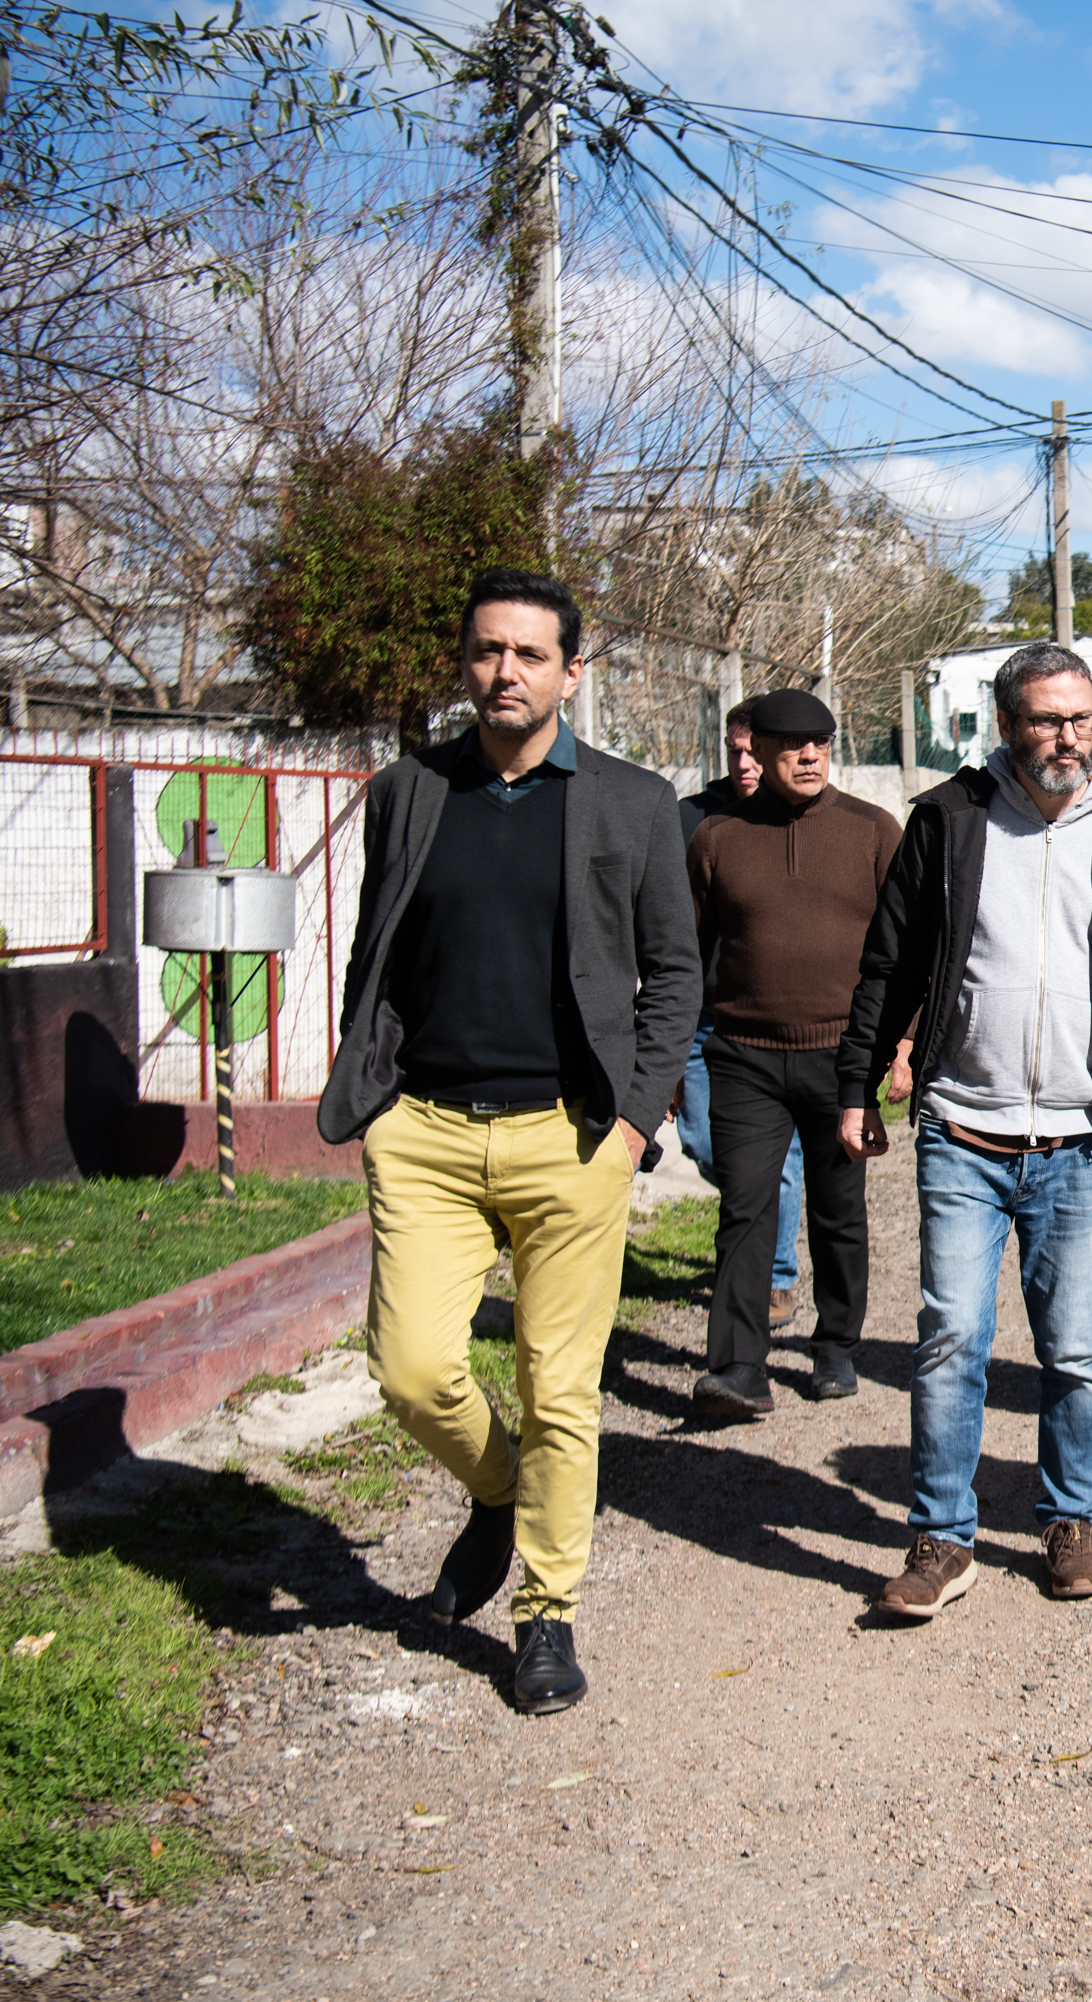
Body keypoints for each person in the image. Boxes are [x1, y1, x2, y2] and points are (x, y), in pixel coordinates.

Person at [318, 568, 699, 1715]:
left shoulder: (633, 804)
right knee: (413, 1369)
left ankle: (546, 1615)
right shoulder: (409, 791)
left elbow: (676, 973)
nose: (505, 672)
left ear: (571, 673)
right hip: (425, 1131)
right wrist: (375, 1099)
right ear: (465, 661)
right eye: (488, 651)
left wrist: (636, 1117)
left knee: (561, 1386)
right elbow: (374, 953)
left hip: (572, 1136)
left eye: (530, 654)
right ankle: (498, 1489)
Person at [838, 642, 1092, 1617]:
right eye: (1046, 720)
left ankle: (1071, 1519)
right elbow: (890, 963)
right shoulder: (950, 821)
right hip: (964, 1129)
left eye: (1082, 718)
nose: (1068, 738)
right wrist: (857, 1084)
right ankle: (941, 1537)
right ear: (1007, 725)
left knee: (1077, 1350)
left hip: (1084, 1141)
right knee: (950, 1337)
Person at [686, 689, 901, 1416]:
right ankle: (738, 1368)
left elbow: (906, 954)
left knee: (838, 1209)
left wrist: (899, 1048)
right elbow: (689, 954)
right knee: (744, 1210)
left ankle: (835, 1345)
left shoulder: (874, 833)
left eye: (821, 742)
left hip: (844, 1060)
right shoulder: (717, 837)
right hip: (743, 1056)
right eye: (793, 745)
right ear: (759, 752)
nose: (810, 755)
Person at [675, 702, 806, 1333]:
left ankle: (775, 1276)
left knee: (775, 1159)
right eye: (737, 752)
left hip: (767, 1025)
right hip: (701, 1021)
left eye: (758, 751)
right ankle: (759, 1224)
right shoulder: (691, 819)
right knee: (703, 1142)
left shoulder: (798, 819)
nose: (746, 763)